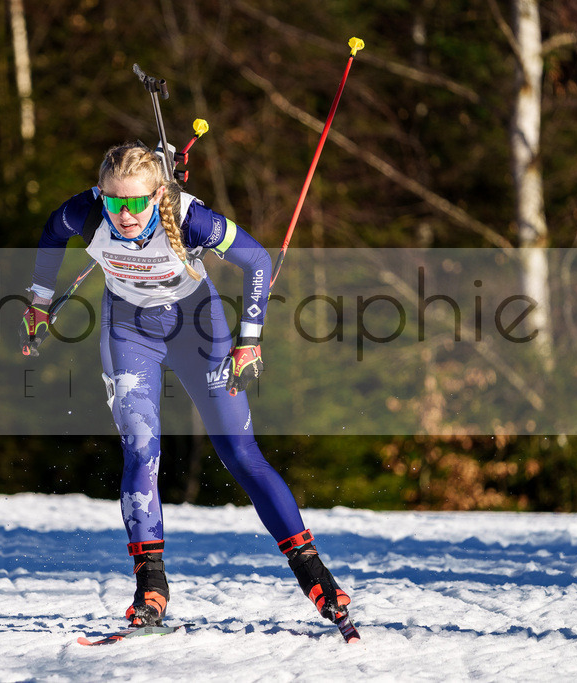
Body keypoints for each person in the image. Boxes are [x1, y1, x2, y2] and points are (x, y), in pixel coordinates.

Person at [20, 142, 353, 633]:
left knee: (240, 454)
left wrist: (250, 340)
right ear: (101, 194)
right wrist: (40, 300)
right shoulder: (85, 212)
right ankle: (150, 585)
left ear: (158, 196)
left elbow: (258, 261)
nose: (125, 214)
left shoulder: (191, 218)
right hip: (129, 330)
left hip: (199, 328)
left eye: (136, 202)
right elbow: (52, 232)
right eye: (115, 201)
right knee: (141, 451)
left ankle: (314, 573)